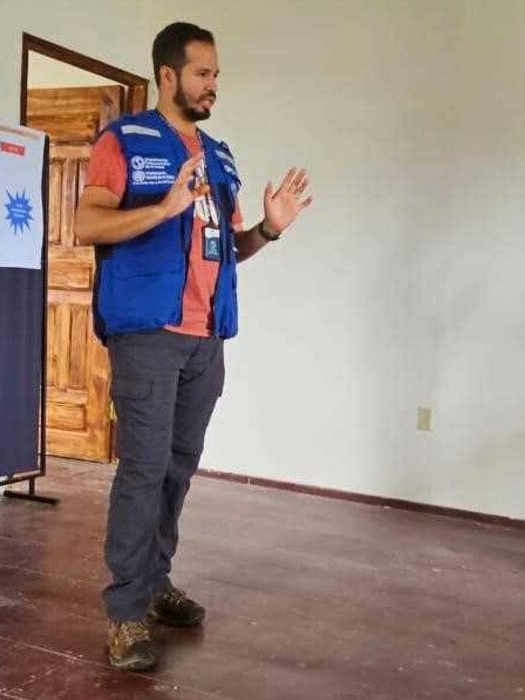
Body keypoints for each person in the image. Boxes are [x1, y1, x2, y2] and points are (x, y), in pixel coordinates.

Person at [73, 21, 314, 671]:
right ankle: (125, 613)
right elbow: (86, 221)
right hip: (147, 333)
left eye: (217, 75)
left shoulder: (219, 154)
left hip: (206, 338)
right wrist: (163, 206)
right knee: (143, 471)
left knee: (176, 471)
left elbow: (229, 249)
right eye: (203, 73)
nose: (214, 85)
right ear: (169, 75)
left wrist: (270, 227)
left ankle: (154, 585)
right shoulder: (121, 139)